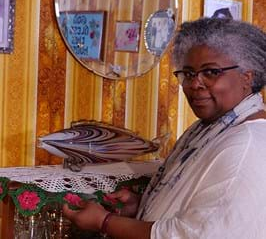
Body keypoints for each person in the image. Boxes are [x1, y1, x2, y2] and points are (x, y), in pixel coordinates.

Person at [63, 17, 266, 239]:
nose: (195, 84)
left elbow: (196, 235)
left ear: (247, 77)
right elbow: (198, 210)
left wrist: (105, 222)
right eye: (188, 74)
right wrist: (140, 207)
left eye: (211, 72)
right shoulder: (206, 129)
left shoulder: (248, 145)